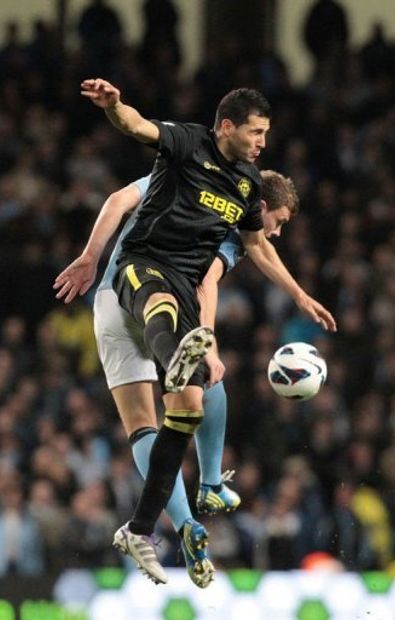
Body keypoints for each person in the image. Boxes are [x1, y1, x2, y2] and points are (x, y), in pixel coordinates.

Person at [75, 77, 336, 585]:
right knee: (170, 320)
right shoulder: (185, 150)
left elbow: (259, 245)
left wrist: (301, 295)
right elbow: (133, 138)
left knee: (179, 412)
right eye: (256, 132)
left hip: (162, 284)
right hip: (129, 280)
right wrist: (116, 106)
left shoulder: (243, 188)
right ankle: (208, 476)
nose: (262, 141)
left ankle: (171, 524)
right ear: (227, 126)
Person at [54, 169, 300, 586]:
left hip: (111, 298)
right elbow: (207, 283)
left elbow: (117, 200)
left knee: (143, 426)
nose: (274, 233)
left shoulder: (184, 171)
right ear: (260, 208)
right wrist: (212, 342)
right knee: (202, 379)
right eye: (278, 222)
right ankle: (208, 483)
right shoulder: (221, 207)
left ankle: (186, 523)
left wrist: (91, 256)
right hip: (150, 291)